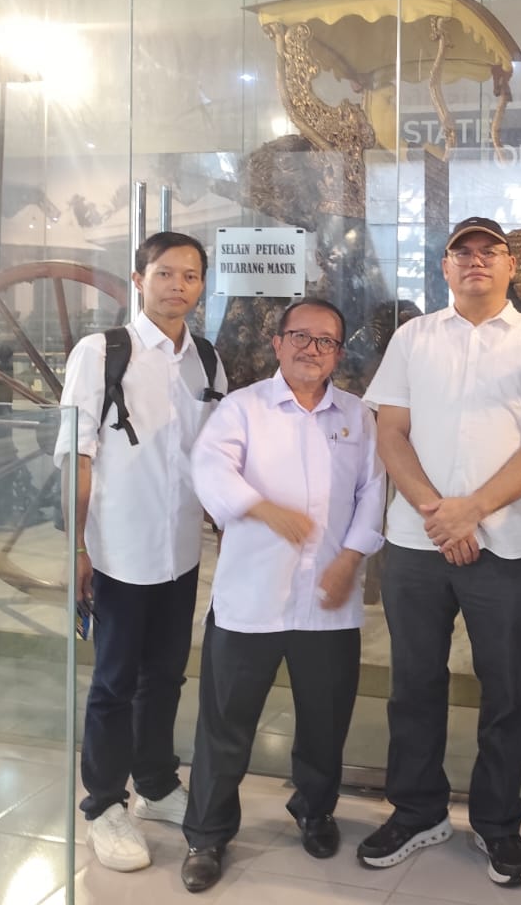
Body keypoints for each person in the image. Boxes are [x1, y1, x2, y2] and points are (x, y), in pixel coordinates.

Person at [358, 217, 521, 888]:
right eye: (463, 252)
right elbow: (390, 432)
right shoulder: (413, 337)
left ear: (511, 266)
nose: (476, 260)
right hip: (418, 541)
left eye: (490, 251)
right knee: (413, 684)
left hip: (502, 545)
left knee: (505, 691)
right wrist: (440, 512)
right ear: (445, 267)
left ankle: (497, 822)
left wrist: (472, 510)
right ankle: (417, 811)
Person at [176, 297, 386, 892]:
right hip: (252, 599)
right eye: (300, 337)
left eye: (325, 341)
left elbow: (373, 492)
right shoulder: (243, 409)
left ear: (338, 353)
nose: (311, 350)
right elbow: (209, 469)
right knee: (226, 725)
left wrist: (351, 559)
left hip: (328, 600)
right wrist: (265, 509)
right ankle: (207, 835)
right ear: (277, 343)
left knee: (325, 721)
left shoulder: (358, 417)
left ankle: (314, 811)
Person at [55, 231, 228, 872]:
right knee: (113, 682)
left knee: (166, 675)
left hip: (180, 550)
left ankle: (154, 784)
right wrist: (76, 547)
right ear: (139, 280)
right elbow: (77, 455)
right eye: (164, 273)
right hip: (119, 552)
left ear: (202, 285)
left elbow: (216, 457)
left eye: (190, 275)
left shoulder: (207, 360)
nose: (178, 286)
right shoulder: (101, 353)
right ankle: (103, 804)